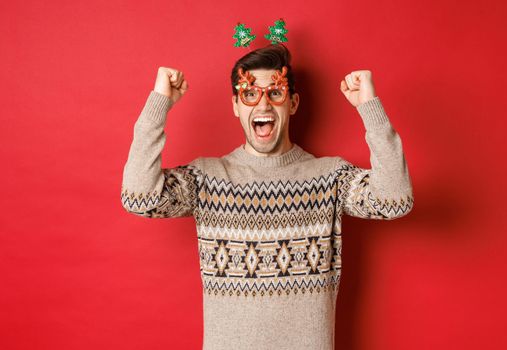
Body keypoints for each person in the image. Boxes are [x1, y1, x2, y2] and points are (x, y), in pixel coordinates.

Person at [121, 43, 414, 350]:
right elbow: (139, 197)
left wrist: (370, 107)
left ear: (293, 103)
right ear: (236, 105)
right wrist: (159, 104)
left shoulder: (329, 177)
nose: (262, 105)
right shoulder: (206, 178)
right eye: (250, 94)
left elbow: (396, 199)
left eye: (275, 93)